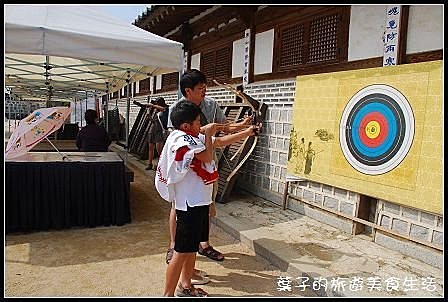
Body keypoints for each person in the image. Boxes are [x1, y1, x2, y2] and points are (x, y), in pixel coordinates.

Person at [155, 100, 259, 297]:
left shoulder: (190, 134)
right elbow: (207, 157)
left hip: (199, 201)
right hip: (189, 205)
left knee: (191, 247)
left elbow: (217, 142)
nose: (200, 125)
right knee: (181, 251)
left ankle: (186, 285)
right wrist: (210, 133)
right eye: (197, 122)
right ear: (186, 125)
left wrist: (246, 132)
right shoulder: (181, 140)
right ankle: (168, 294)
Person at [165, 69, 253, 268]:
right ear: (188, 91)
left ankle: (203, 244)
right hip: (187, 171)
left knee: (206, 204)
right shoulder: (177, 111)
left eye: (205, 88)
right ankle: (175, 245)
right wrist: (207, 136)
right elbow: (182, 142)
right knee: (180, 210)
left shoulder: (211, 105)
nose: (205, 92)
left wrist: (243, 126)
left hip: (206, 168)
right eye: (200, 89)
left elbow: (222, 128)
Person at [145, 97, 169, 170]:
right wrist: (149, 115)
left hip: (160, 131)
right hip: (153, 130)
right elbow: (153, 121)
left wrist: (152, 106)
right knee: (150, 148)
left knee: (159, 150)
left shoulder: (166, 109)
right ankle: (150, 164)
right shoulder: (156, 111)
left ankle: (161, 164)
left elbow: (164, 109)